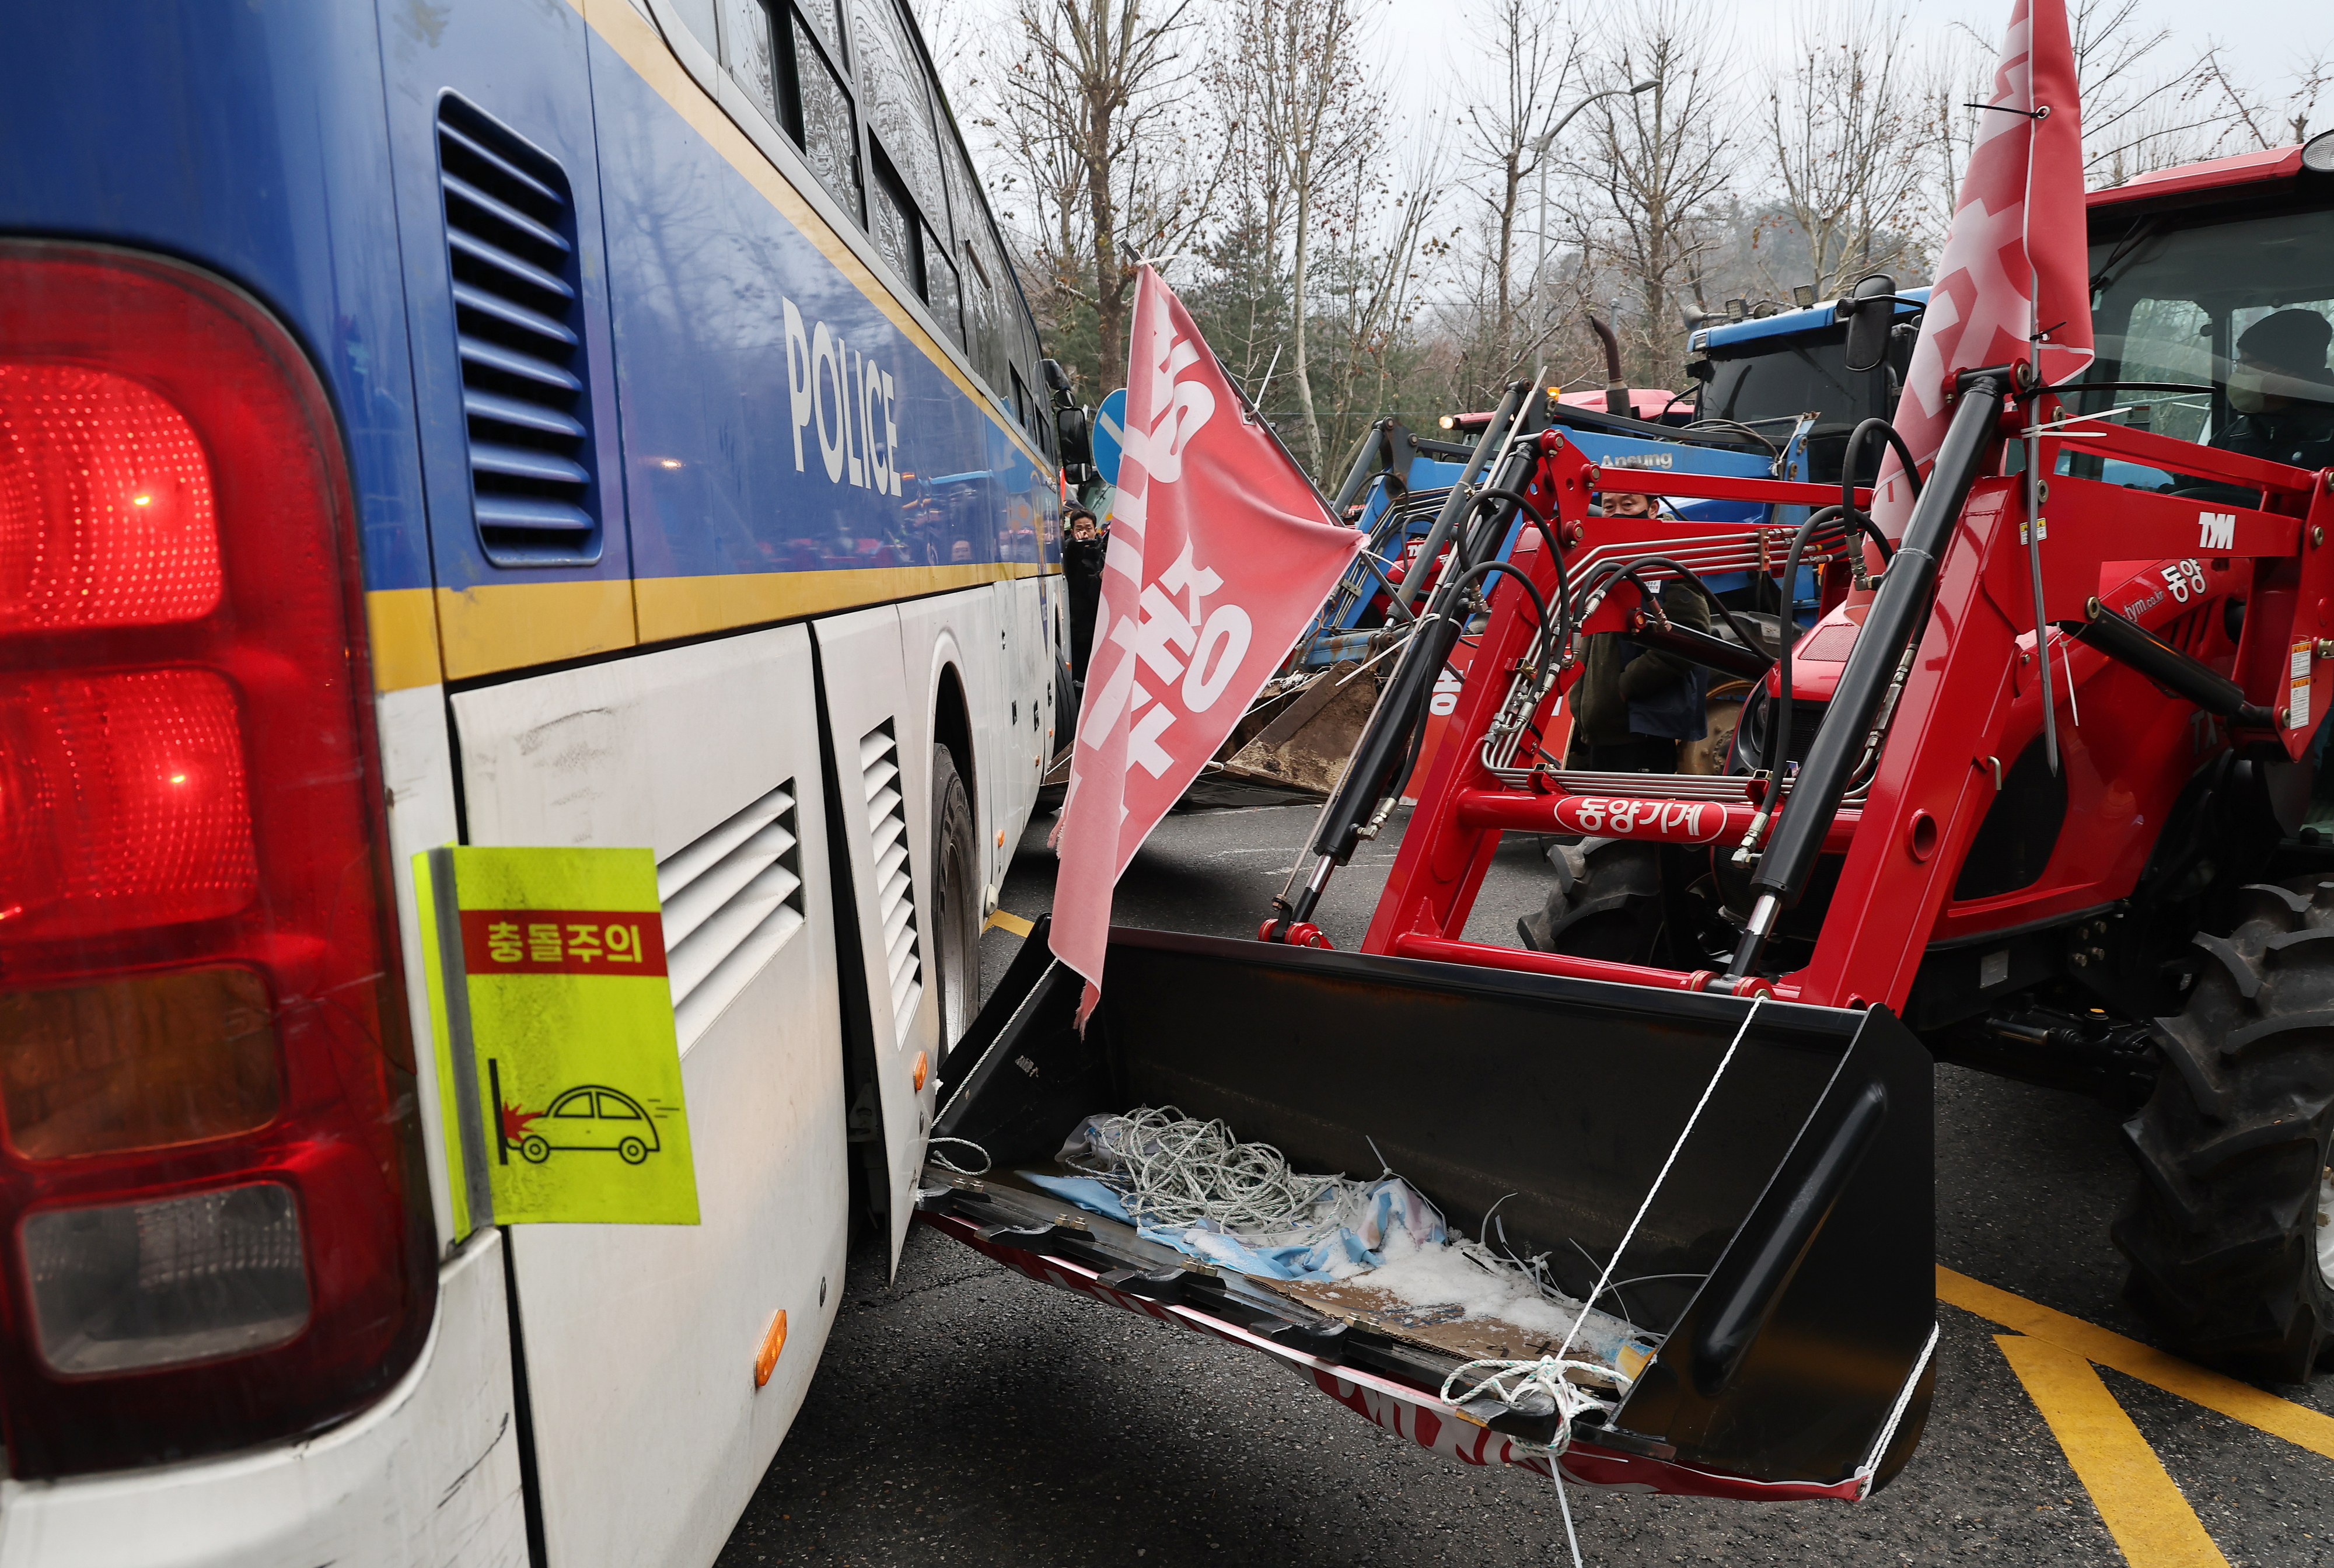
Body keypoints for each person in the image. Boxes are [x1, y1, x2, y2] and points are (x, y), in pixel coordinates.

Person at [1565, 488, 1707, 771]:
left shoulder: (1668, 561)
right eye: (1608, 507)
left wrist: (1624, 688)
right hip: (1603, 731)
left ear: (1652, 509)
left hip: (1640, 732)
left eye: (1628, 505)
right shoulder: (1604, 561)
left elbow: (1689, 637)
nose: (1617, 514)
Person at [2210, 308, 2334, 472]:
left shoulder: (2327, 438)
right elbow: (2185, 487)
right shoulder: (2234, 436)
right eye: (2238, 362)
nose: (2238, 371)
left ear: (2290, 370)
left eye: (2247, 363)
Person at [1063, 505, 1106, 684]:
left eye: (1088, 528)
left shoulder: (1102, 554)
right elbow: (1072, 556)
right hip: (1080, 629)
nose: (1085, 533)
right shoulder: (1071, 553)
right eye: (1079, 529)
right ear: (1072, 532)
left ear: (1096, 530)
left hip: (1100, 624)